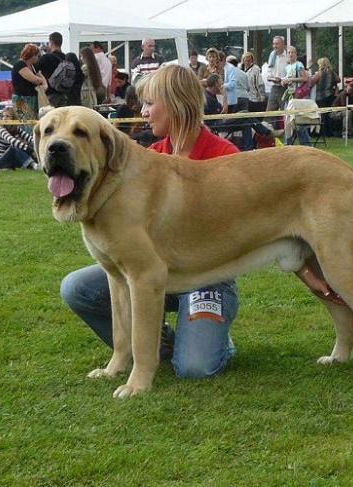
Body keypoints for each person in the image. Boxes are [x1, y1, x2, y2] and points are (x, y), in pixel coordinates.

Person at [60, 65, 240, 379]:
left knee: (196, 368)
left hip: (209, 278)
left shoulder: (227, 157)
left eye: (149, 103)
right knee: (77, 288)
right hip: (156, 272)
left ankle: (216, 339)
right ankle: (162, 344)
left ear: (175, 103)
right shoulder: (150, 158)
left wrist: (308, 270)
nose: (143, 112)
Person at [11, 43, 47, 127]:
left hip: (32, 99)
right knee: (27, 126)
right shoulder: (20, 65)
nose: (38, 58)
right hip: (22, 100)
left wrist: (42, 81)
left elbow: (41, 79)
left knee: (33, 123)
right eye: (37, 56)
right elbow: (35, 80)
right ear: (32, 55)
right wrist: (42, 80)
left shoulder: (33, 67)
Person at [281, 45, 310, 146]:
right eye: (288, 53)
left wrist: (290, 79)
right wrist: (284, 81)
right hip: (289, 95)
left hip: (298, 96)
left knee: (297, 119)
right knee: (287, 119)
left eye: (292, 52)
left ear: (296, 54)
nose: (290, 54)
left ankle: (305, 143)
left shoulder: (299, 64)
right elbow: (289, 79)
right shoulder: (287, 67)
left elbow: (305, 78)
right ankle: (287, 142)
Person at [35, 32, 68, 108]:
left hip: (50, 93)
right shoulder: (66, 57)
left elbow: (35, 69)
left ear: (51, 42)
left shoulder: (46, 58)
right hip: (63, 94)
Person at [310, 56, 340, 136]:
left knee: (322, 115)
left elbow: (311, 83)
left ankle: (323, 132)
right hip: (330, 95)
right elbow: (339, 79)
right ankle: (329, 132)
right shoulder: (332, 73)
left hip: (320, 97)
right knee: (329, 115)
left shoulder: (319, 73)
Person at [265, 35, 288, 117]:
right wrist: (272, 78)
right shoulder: (272, 56)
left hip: (286, 87)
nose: (275, 46)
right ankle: (268, 129)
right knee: (269, 113)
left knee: (286, 112)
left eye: (277, 44)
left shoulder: (288, 56)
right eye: (274, 44)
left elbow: (292, 72)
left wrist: (282, 79)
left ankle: (289, 129)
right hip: (274, 87)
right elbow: (269, 72)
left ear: (283, 44)